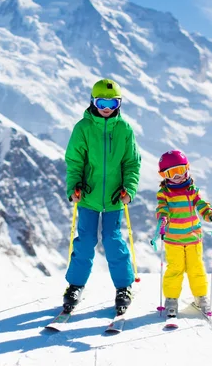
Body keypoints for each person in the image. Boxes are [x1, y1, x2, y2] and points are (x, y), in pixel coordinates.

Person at [62, 78, 141, 313]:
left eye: (112, 102)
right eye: (101, 101)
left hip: (115, 198)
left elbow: (131, 163)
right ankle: (75, 285)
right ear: (92, 101)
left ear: (119, 104)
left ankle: (123, 287)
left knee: (113, 241)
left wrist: (130, 188)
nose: (107, 107)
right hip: (88, 196)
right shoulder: (83, 128)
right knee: (85, 241)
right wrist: (74, 186)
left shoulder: (124, 129)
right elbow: (74, 161)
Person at [155, 150, 212, 317]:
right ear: (164, 175)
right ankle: (171, 300)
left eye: (180, 171)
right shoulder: (165, 193)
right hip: (173, 239)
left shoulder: (192, 190)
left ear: (187, 169)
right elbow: (162, 208)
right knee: (175, 269)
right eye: (171, 173)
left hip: (193, 238)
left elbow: (201, 205)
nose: (177, 176)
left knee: (196, 268)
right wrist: (163, 218)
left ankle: (201, 298)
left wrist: (209, 213)